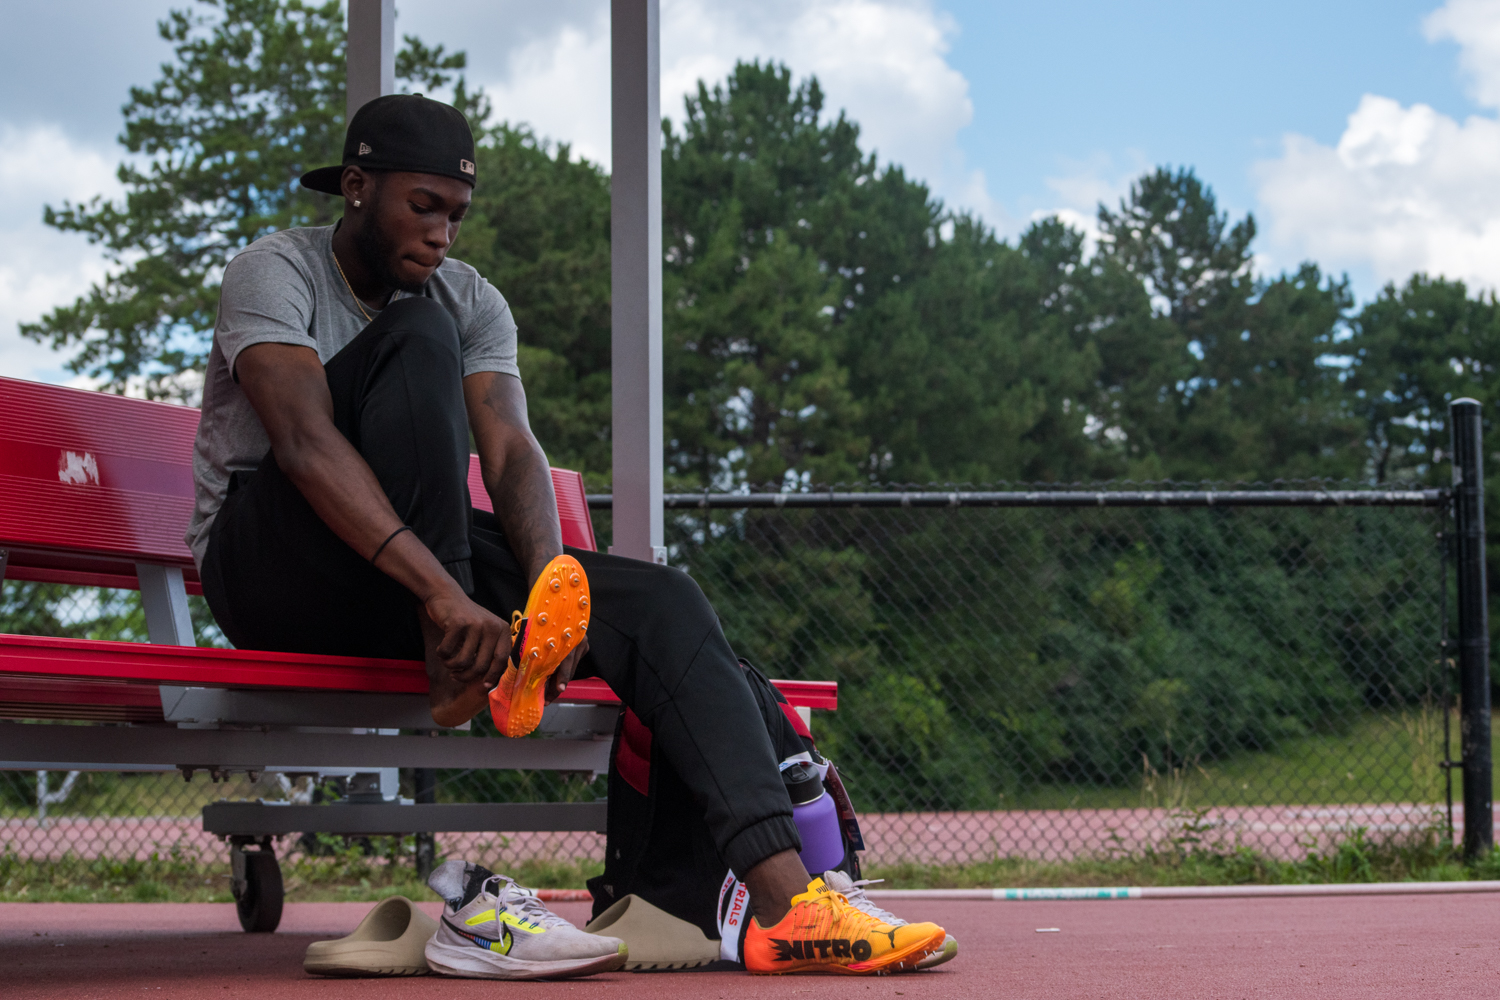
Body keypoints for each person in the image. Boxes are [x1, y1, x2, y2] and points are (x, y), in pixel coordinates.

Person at [187, 94, 946, 979]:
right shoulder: (273, 271)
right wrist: (444, 596)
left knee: (662, 602)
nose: (442, 235)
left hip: (415, 575)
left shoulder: (470, 297)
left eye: (457, 215)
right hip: (275, 565)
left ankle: (790, 904)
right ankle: (450, 651)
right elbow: (308, 447)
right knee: (417, 333)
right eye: (422, 206)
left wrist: (554, 587)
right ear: (356, 187)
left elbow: (509, 448)